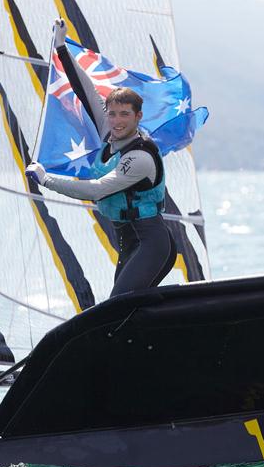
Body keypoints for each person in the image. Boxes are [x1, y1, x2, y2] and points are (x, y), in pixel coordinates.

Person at [26, 19, 176, 298]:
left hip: (151, 243)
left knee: (117, 305)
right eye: (112, 113)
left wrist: (46, 179)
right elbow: (85, 90)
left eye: (125, 115)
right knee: (124, 309)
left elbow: (98, 189)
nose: (116, 121)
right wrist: (61, 47)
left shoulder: (140, 157)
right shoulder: (109, 131)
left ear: (137, 117)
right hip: (129, 241)